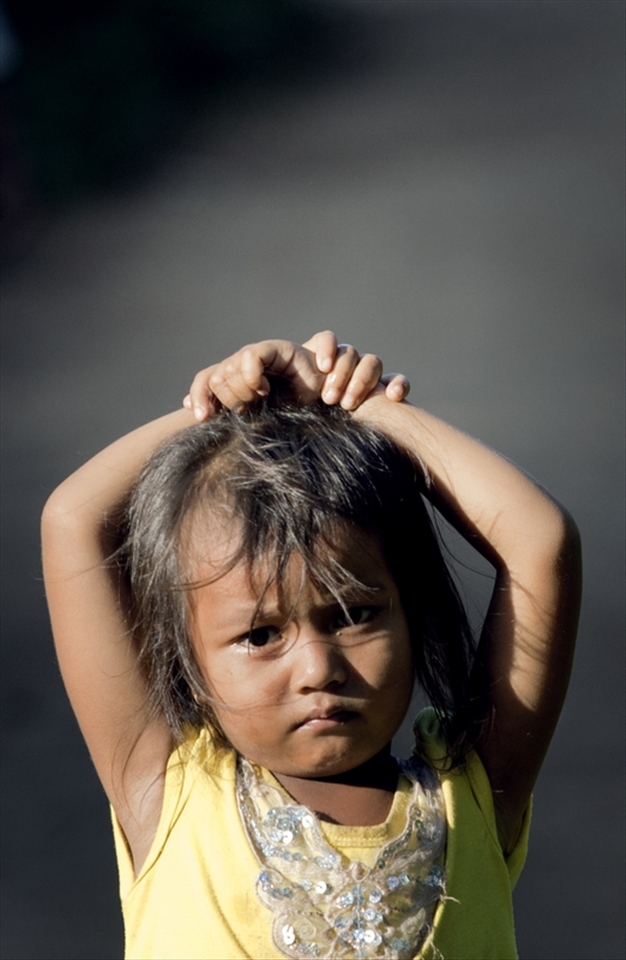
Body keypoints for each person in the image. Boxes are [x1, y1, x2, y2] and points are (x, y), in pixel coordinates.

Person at [41, 332, 581, 960]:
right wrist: (224, 414)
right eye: (260, 635)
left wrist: (361, 412)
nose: (319, 668)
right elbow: (73, 522)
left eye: (354, 615)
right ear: (189, 667)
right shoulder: (167, 794)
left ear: (413, 617)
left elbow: (539, 540)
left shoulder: (476, 800)